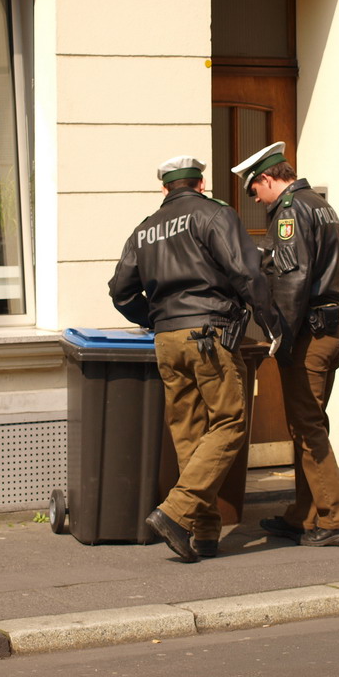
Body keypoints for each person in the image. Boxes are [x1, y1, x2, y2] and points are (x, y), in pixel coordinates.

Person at [109, 155, 282, 562]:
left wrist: (156, 319)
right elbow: (247, 272)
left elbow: (121, 291)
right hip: (210, 333)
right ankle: (176, 510)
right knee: (230, 423)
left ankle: (203, 534)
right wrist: (271, 323)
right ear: (201, 184)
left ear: (165, 188)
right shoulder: (214, 214)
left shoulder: (145, 229)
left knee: (189, 434)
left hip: (167, 339)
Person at [231, 141, 339, 547]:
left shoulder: (289, 211)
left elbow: (291, 280)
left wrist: (278, 335)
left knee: (307, 426)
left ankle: (336, 518)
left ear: (268, 179)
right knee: (309, 422)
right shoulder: (320, 205)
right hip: (332, 326)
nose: (255, 199)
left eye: (254, 190)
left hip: (309, 332)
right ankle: (306, 514)